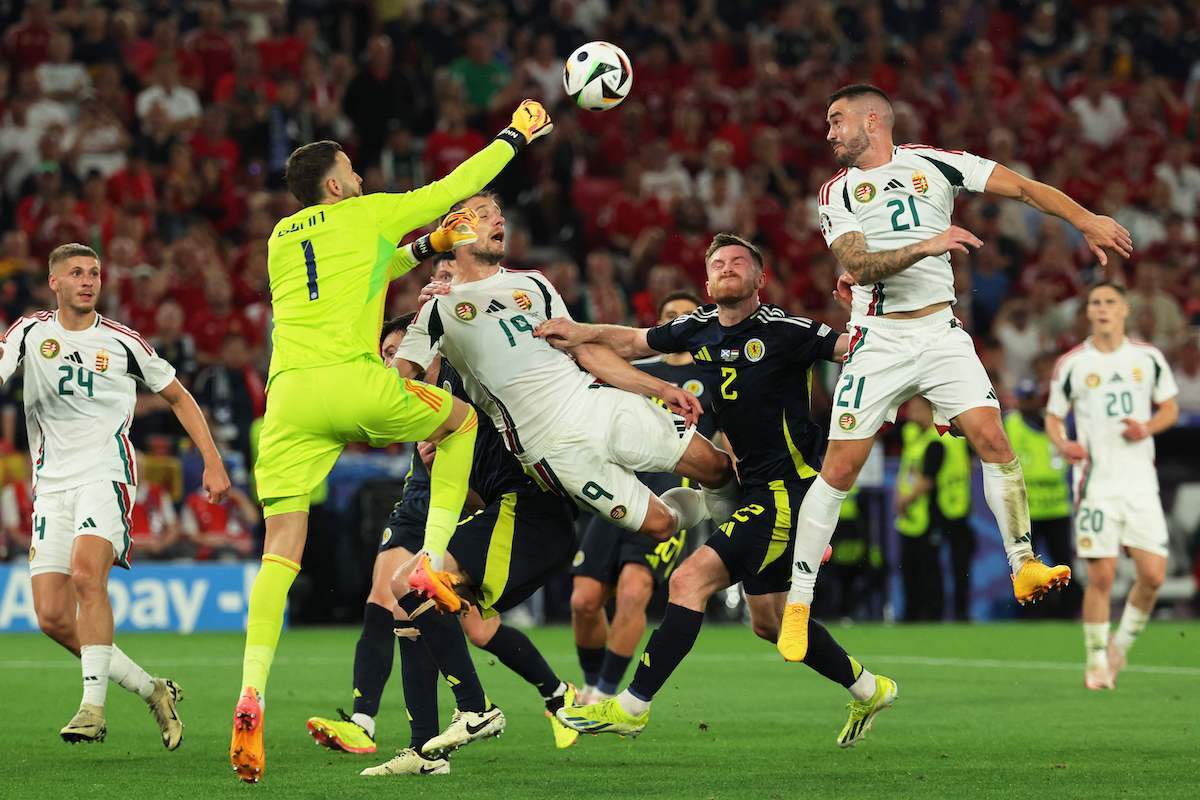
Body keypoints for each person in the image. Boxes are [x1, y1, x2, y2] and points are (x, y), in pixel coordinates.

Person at [230, 99, 554, 784]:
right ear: (338, 183)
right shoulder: (365, 210)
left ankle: (251, 688)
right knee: (458, 422)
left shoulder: (282, 238)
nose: (357, 175)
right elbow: (449, 189)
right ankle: (434, 557)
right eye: (350, 169)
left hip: (288, 398)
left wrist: (428, 248)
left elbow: (364, 270)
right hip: (352, 382)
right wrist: (514, 134)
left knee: (279, 550)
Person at [778, 83, 1133, 660]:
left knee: (994, 439)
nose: (829, 132)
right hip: (880, 337)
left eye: (837, 119)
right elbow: (858, 264)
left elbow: (1022, 187)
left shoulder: (936, 164)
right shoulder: (837, 192)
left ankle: (1024, 565)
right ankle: (799, 603)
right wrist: (928, 245)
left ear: (874, 120)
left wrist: (1085, 218)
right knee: (840, 468)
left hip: (940, 333)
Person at [537, 234, 897, 749]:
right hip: (751, 491)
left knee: (687, 581)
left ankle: (633, 706)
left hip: (786, 491)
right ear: (707, 282)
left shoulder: (786, 330)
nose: (727, 268)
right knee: (769, 623)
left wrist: (868, 316)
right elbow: (636, 341)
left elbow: (857, 349)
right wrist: (578, 332)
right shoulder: (698, 327)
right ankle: (869, 689)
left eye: (739, 262)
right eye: (718, 264)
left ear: (760, 279)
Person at [393, 193, 734, 572]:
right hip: (550, 447)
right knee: (663, 524)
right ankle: (709, 519)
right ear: (454, 230)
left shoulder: (534, 284)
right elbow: (398, 379)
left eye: (499, 213)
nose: (499, 220)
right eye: (484, 214)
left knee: (717, 466)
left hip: (593, 401)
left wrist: (661, 388)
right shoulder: (437, 308)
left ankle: (751, 554)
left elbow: (584, 350)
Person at [306, 305, 579, 775]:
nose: (393, 364)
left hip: (510, 510)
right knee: (402, 596)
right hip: (425, 508)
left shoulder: (463, 380)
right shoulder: (412, 404)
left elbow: (478, 490)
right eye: (386, 356)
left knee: (452, 614)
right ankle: (420, 748)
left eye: (398, 352)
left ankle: (498, 704)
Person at [0, 242, 231, 747]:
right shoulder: (30, 333)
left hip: (106, 473)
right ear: (54, 282)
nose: (88, 280)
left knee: (87, 574)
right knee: (53, 617)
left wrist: (212, 460)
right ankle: (152, 689)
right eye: (77, 273)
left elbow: (178, 395)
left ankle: (92, 709)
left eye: (95, 273)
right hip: (50, 485)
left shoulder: (124, 342)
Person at [570, 289, 715, 705]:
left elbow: (727, 442)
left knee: (634, 592)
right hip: (618, 490)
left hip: (671, 499)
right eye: (670, 315)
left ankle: (604, 694)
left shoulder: (713, 376)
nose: (677, 322)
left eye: (686, 316)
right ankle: (592, 681)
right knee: (583, 601)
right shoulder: (637, 370)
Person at [1045, 283, 1179, 690]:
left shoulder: (1148, 358)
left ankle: (1119, 646)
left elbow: (1169, 407)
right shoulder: (1073, 364)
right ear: (1088, 313)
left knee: (1153, 575)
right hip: (1096, 483)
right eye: (1095, 303)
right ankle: (1097, 660)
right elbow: (1054, 416)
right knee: (1101, 576)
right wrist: (1062, 442)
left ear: (1125, 310)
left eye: (1110, 302)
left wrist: (1148, 426)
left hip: (1140, 482)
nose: (1102, 309)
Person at [894, 397, 974, 622]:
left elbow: (927, 478)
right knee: (925, 566)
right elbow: (908, 470)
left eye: (917, 408)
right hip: (931, 510)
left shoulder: (936, 440)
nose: (911, 412)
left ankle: (941, 613)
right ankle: (927, 612)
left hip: (942, 508)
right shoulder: (913, 434)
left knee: (937, 567)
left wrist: (904, 500)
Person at [1005, 377, 1078, 620]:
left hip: (1056, 507)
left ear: (1038, 398)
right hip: (1028, 511)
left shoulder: (1055, 424)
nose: (1028, 403)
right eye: (1024, 399)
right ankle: (1029, 613)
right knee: (1026, 565)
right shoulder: (1011, 424)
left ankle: (1066, 612)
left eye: (1031, 398)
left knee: (1064, 563)